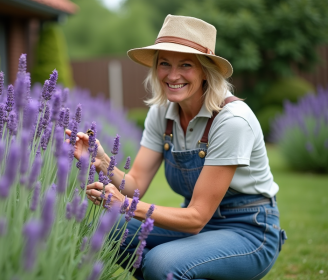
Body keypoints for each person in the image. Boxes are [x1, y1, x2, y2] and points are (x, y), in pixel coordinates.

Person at [68, 15, 287, 280]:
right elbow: (135, 184)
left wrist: (125, 204)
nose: (173, 76)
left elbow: (196, 218)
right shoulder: (162, 113)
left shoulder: (232, 121)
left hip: (248, 229)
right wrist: (103, 162)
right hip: (190, 223)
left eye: (186, 65)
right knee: (101, 229)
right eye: (164, 64)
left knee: (163, 263)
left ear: (207, 70)